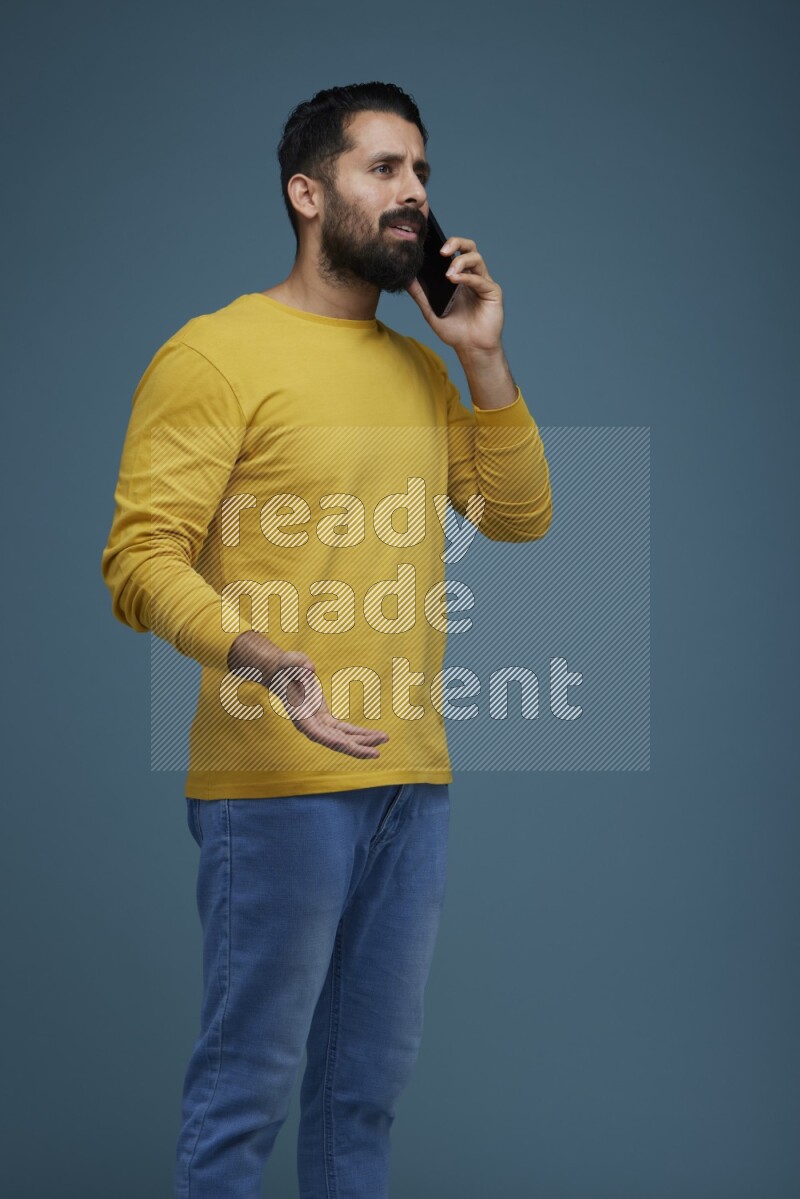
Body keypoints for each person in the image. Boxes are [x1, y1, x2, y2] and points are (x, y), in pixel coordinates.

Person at [101, 80, 552, 1199]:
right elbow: (139, 559)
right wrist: (266, 657)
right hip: (273, 784)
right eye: (382, 169)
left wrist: (482, 360)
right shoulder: (214, 355)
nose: (413, 196)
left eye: (422, 173)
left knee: (362, 1095)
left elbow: (518, 514)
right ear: (307, 192)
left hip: (410, 780)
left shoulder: (416, 367)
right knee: (246, 1082)